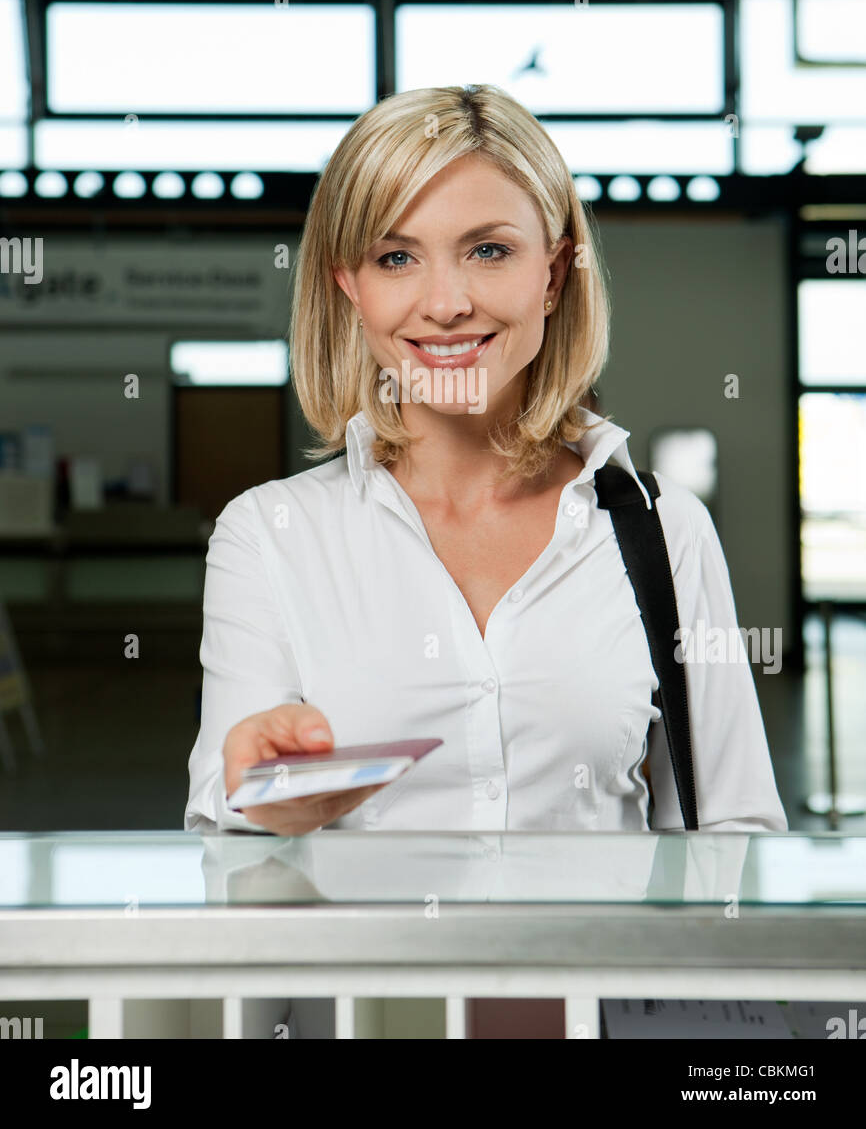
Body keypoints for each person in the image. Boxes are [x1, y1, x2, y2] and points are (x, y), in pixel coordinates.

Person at [185, 83, 787, 839]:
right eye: (396, 256)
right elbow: (226, 830)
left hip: (600, 963)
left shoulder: (667, 531)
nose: (445, 303)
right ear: (350, 287)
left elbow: (732, 835)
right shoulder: (270, 534)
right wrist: (259, 800)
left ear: (554, 273)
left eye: (489, 250)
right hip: (366, 963)